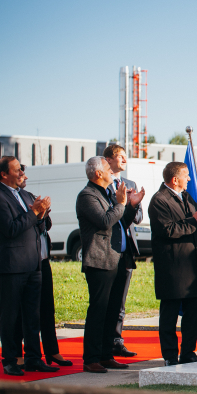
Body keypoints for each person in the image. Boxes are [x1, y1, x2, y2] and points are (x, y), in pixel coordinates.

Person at [76, 156, 143, 373]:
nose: (111, 172)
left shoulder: (107, 193)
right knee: (98, 310)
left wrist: (130, 205)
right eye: (107, 168)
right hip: (99, 260)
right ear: (98, 174)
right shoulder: (87, 195)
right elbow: (105, 222)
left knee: (112, 311)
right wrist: (121, 203)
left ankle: (106, 355)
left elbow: (121, 221)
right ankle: (91, 358)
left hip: (116, 258)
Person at [148, 162, 197, 366]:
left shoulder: (185, 196)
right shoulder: (159, 200)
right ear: (174, 179)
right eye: (186, 176)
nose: (189, 179)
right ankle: (170, 355)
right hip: (173, 267)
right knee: (169, 315)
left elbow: (194, 224)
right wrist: (195, 219)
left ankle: (188, 352)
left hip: (193, 265)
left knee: (193, 313)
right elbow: (169, 230)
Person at [0, 156, 58, 376]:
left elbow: (38, 227)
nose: (21, 172)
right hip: (12, 266)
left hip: (34, 264)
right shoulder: (0, 197)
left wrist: (41, 214)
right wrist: (33, 212)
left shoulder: (25, 194)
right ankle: (10, 360)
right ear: (4, 174)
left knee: (33, 315)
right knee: (10, 315)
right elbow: (11, 229)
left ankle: (34, 358)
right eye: (16, 169)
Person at [16, 173, 72, 367]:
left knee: (47, 307)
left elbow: (44, 226)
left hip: (42, 258)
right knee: (20, 310)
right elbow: (16, 227)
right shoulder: (6, 198)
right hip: (22, 261)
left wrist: (44, 212)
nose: (25, 176)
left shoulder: (29, 196)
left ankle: (52, 351)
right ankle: (17, 353)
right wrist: (34, 213)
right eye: (20, 172)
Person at [103, 144, 145, 358]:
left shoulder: (130, 184)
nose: (125, 161)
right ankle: (104, 343)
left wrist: (132, 204)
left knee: (121, 299)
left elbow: (138, 218)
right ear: (108, 160)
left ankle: (117, 341)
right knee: (107, 299)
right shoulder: (102, 184)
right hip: (108, 248)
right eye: (120, 157)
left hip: (127, 248)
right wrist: (121, 203)